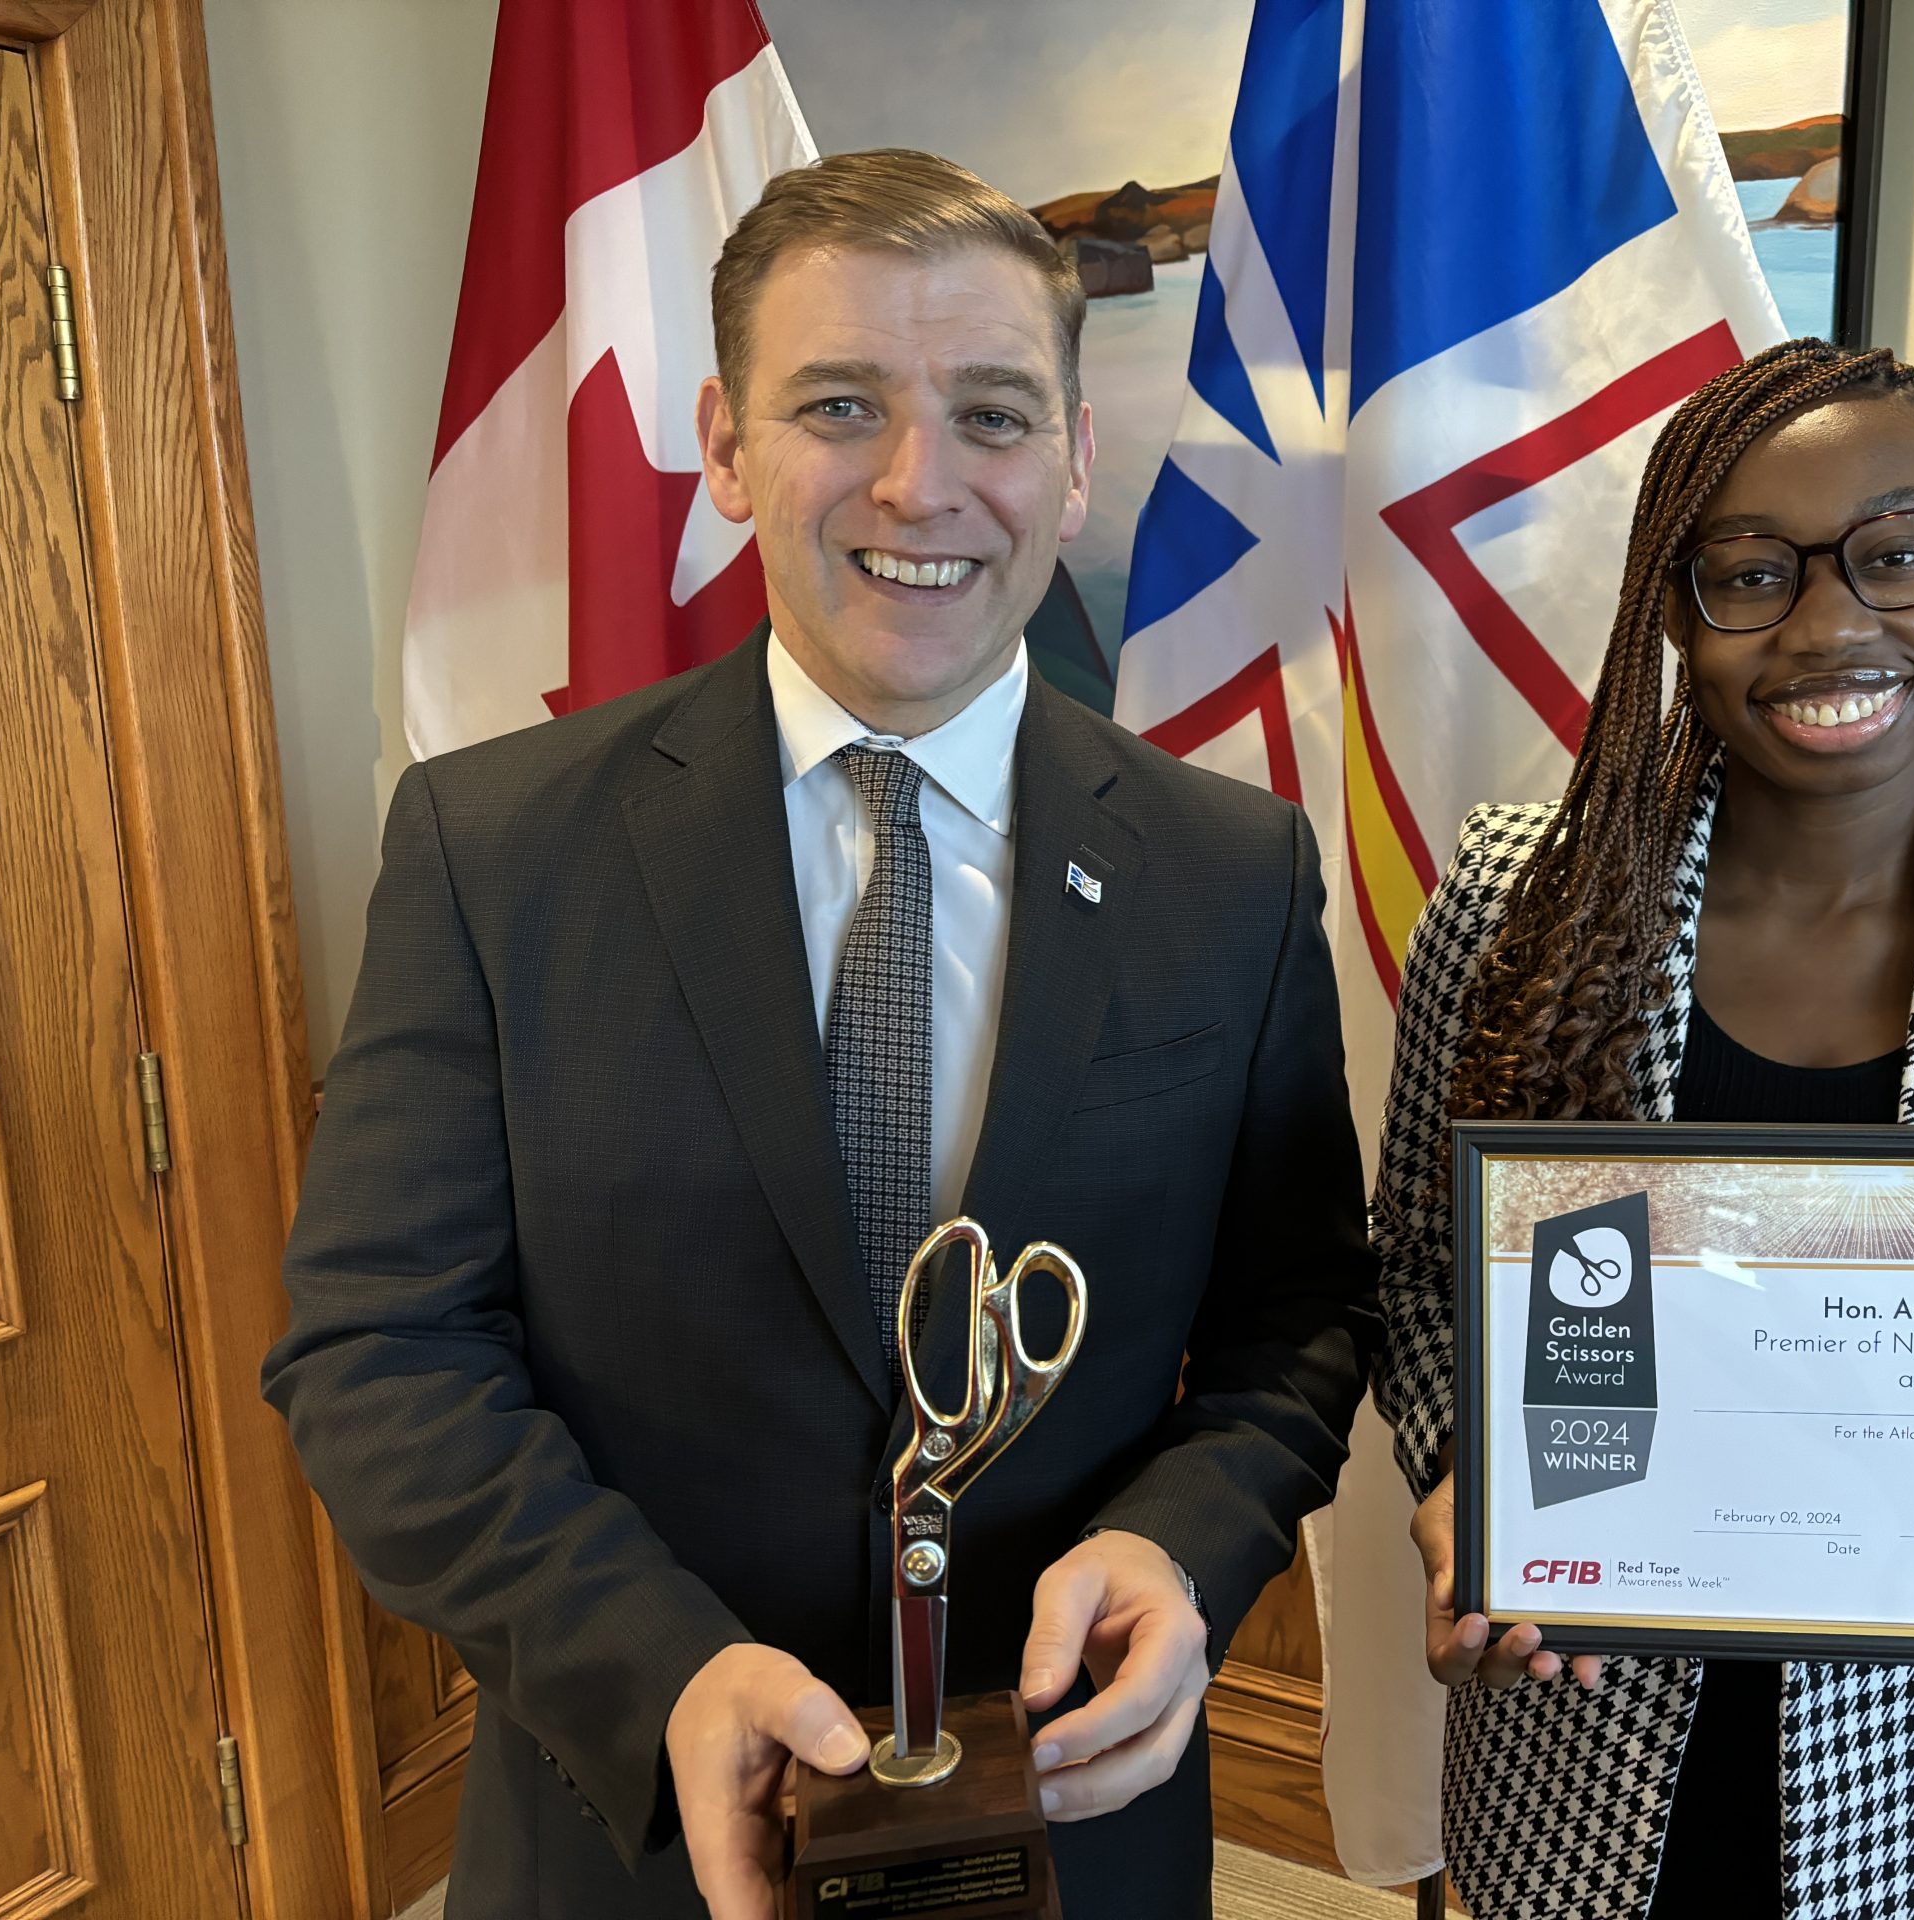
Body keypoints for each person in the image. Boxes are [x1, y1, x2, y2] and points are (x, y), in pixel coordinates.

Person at [262, 149, 1377, 1920]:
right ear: (725, 445)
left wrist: (1185, 1547)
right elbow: (378, 1350)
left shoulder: (1229, 869)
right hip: (628, 1838)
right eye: (840, 404)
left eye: (995, 414)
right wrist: (659, 1676)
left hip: (1076, 1827)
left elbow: (1300, 1320)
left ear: (1076, 456)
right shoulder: (494, 847)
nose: (921, 483)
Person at [1378, 339, 1914, 1917]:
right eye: (1751, 573)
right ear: (1673, 605)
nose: (1837, 624)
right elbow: (1423, 1275)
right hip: (1583, 1749)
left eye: (1899, 555)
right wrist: (1461, 1490)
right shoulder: (1519, 904)